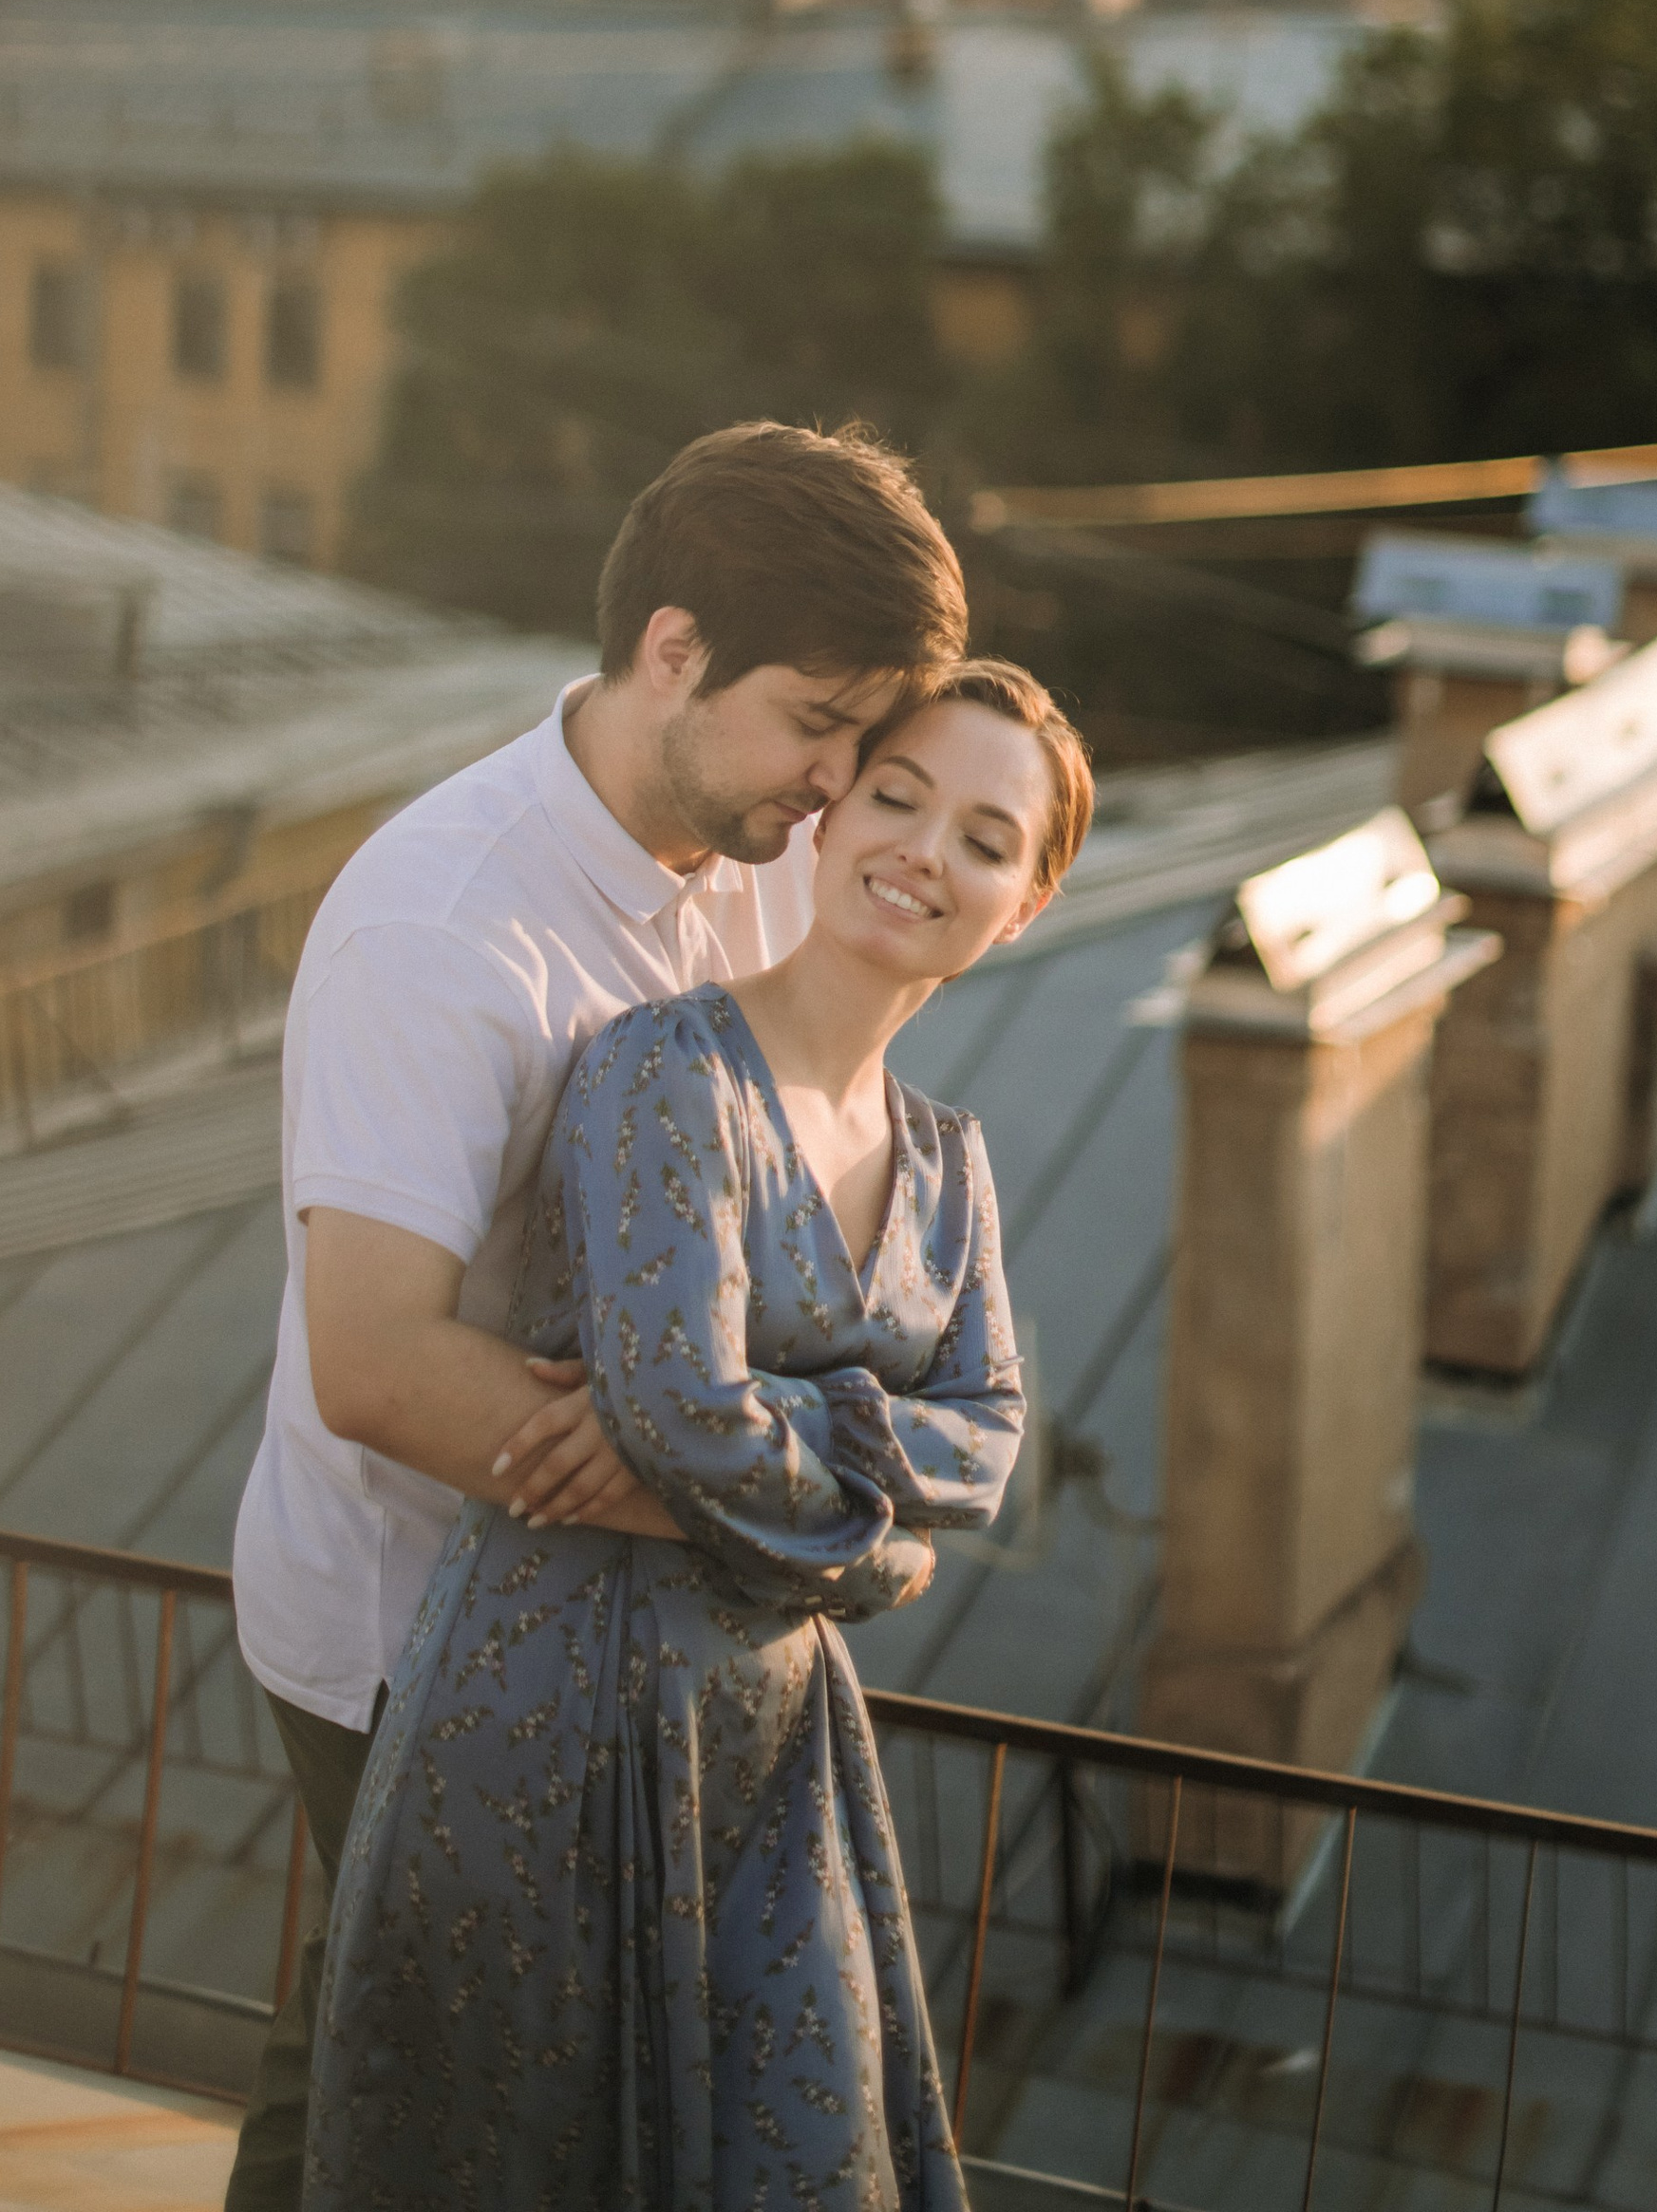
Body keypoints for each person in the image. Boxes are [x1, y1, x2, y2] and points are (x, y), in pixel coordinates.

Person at [223, 422, 970, 2212]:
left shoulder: (765, 851)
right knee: (412, 2090)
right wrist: (750, 1501)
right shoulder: (443, 925)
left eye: (865, 738)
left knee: (465, 2083)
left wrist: (745, 1459)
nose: (840, 783)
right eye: (816, 724)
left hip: (638, 1627)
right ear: (674, 650)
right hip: (411, 1625)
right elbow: (373, 1364)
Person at [306, 659, 1094, 2212]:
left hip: (773, 1741)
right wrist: (878, 1549)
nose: (925, 851)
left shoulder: (950, 1165)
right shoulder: (663, 1068)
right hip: (552, 1707)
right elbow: (683, 1409)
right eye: (896, 796)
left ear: (1026, 907)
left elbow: (990, 1444)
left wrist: (778, 1452)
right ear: (830, 816)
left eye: (986, 840)